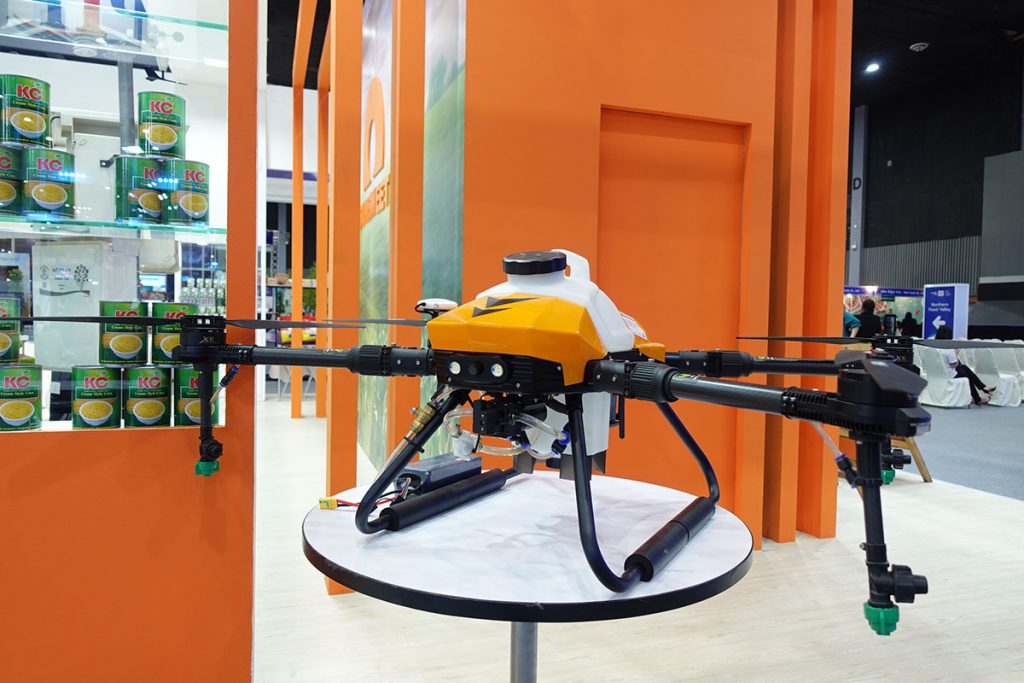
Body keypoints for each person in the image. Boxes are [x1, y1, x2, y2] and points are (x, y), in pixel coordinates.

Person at [935, 325, 995, 405]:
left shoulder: (933, 346)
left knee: (964, 368)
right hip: (949, 373)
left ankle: (982, 389)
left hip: (937, 372)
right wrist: (956, 354)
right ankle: (979, 396)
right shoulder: (948, 348)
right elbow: (953, 365)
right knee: (966, 374)